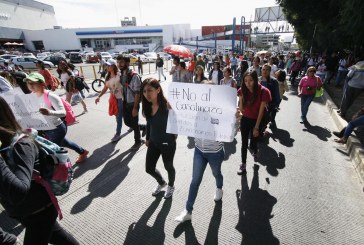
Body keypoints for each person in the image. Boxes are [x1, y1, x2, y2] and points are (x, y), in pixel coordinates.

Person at [0, 96, 80, 245]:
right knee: (57, 236)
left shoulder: (21, 145)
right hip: (25, 212)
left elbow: (18, 191)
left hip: (39, 212)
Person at [175, 80, 225, 223]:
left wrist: (235, 121)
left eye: (208, 92)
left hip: (215, 152)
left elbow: (229, 134)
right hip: (199, 150)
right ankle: (188, 211)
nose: (205, 94)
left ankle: (219, 187)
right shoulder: (194, 108)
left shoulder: (220, 110)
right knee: (195, 181)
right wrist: (173, 111)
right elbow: (183, 120)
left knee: (217, 173)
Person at [25, 72, 89, 164]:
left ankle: (66, 170)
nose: (30, 85)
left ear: (42, 83)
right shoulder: (32, 96)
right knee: (65, 143)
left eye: (33, 83)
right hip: (45, 129)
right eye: (28, 83)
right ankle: (82, 151)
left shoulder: (51, 96)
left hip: (56, 129)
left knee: (55, 151)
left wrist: (49, 112)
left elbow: (63, 113)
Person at [141, 78, 176, 199]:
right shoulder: (146, 107)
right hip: (153, 143)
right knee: (149, 168)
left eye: (150, 90)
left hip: (168, 144)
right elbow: (149, 123)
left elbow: (178, 122)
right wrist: (148, 138)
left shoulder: (167, 106)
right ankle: (162, 183)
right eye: (144, 91)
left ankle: (171, 186)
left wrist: (173, 137)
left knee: (168, 167)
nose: (147, 94)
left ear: (158, 90)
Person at [237, 70, 272, 175]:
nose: (248, 83)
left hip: (257, 120)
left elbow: (261, 112)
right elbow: (241, 109)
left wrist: (256, 127)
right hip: (245, 119)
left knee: (253, 144)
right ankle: (243, 164)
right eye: (245, 81)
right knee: (244, 143)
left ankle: (255, 151)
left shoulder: (264, 91)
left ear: (256, 79)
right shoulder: (242, 90)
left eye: (251, 80)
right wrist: (238, 113)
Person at [117, 55, 145, 149]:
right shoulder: (121, 75)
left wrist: (135, 107)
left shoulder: (134, 76)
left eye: (121, 62)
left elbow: (137, 93)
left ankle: (138, 141)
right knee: (127, 123)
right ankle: (144, 127)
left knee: (134, 123)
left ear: (127, 63)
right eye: (118, 62)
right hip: (125, 102)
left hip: (133, 103)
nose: (119, 64)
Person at [95, 59, 123, 142]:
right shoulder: (107, 76)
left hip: (121, 99)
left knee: (119, 118)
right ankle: (134, 126)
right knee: (119, 116)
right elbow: (105, 88)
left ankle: (118, 134)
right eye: (106, 65)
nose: (107, 66)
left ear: (113, 66)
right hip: (113, 99)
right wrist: (98, 96)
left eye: (108, 65)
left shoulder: (119, 75)